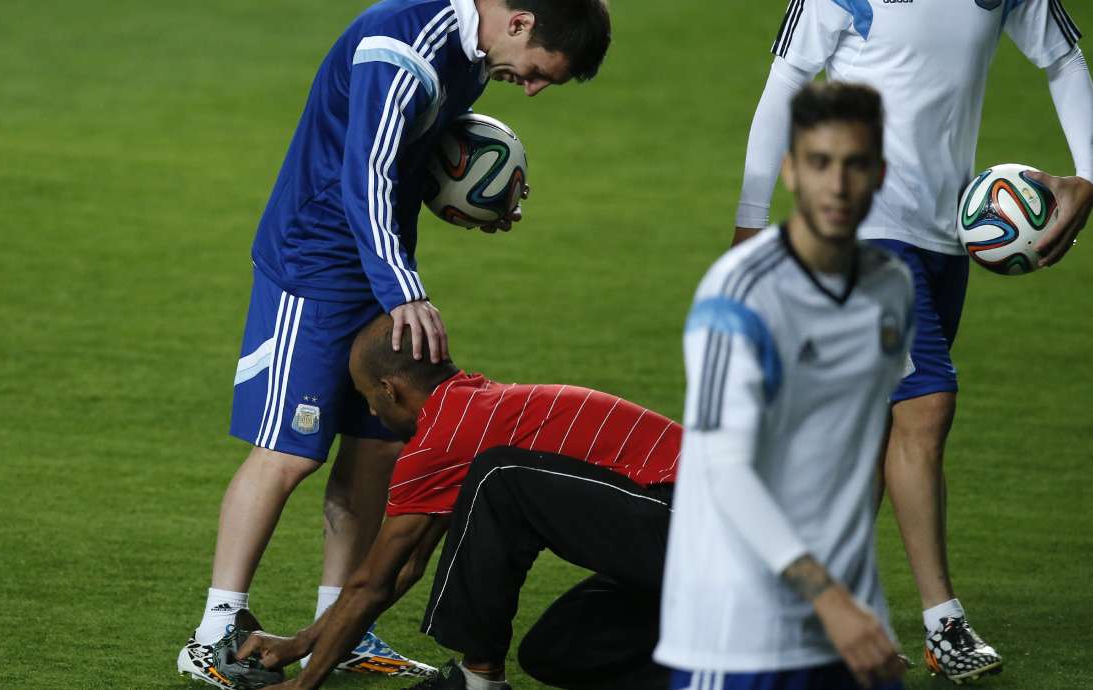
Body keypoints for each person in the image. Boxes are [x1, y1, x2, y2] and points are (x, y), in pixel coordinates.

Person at [177, 0, 612, 686]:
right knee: (290, 451)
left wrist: (472, 194)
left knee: (376, 448)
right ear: (520, 21)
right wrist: (403, 290)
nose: (530, 89)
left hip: (380, 269)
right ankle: (214, 631)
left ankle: (340, 630)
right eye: (537, 73)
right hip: (315, 266)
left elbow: (420, 149)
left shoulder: (471, 54)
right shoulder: (403, 46)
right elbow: (366, 174)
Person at [731, 1, 1092, 681]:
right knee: (926, 406)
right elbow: (786, 80)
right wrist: (751, 225)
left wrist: (1089, 173)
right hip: (860, 226)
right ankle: (943, 624)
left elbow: (1064, 58)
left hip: (946, 235)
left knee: (879, 432)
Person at [232, 313, 683, 690]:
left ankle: (477, 679)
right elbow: (405, 568)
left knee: (499, 475)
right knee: (556, 653)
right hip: (679, 537)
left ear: (389, 389)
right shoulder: (471, 412)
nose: (371, 412)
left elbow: (372, 582)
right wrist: (304, 641)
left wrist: (303, 685)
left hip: (697, 517)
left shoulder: (442, 438)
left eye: (368, 398)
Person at [655, 82, 912, 690]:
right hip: (740, 632)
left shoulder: (890, 289)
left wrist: (856, 602)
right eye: (820, 163)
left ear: (880, 174)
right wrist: (828, 598)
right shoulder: (740, 295)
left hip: (849, 621)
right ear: (790, 171)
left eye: (855, 164)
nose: (838, 186)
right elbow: (723, 467)